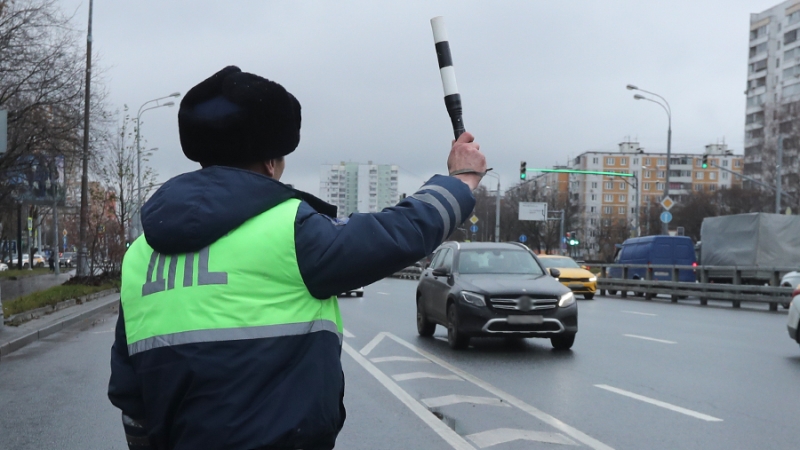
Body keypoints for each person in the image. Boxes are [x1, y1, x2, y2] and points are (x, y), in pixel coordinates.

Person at [108, 66, 486, 450]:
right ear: (271, 163)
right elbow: (396, 233)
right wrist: (461, 181)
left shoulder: (141, 256)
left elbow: (131, 400)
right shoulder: (290, 231)